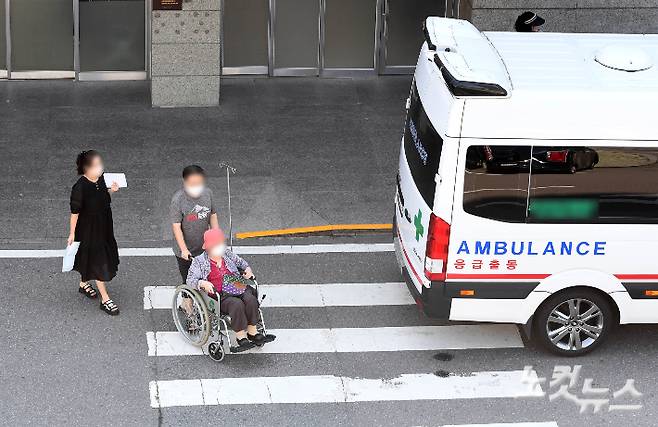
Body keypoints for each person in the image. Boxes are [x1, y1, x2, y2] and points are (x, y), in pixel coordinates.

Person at [186, 228, 275, 352]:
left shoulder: (226, 253)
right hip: (220, 294)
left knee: (250, 298)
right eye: (217, 245)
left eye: (221, 244)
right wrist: (202, 283)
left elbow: (242, 263)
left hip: (237, 285)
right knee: (236, 304)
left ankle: (252, 331)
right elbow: (190, 280)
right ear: (209, 247)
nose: (221, 247)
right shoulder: (199, 261)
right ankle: (240, 336)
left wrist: (248, 270)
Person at [68, 150, 121, 315]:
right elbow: (74, 213)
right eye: (96, 165)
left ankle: (83, 283)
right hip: (89, 229)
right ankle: (105, 299)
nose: (101, 168)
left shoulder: (101, 179)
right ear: (86, 168)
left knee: (89, 257)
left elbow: (103, 199)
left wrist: (111, 190)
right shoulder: (79, 187)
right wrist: (72, 234)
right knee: (99, 260)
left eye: (100, 164)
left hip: (104, 225)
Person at [170, 165, 219, 284]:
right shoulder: (178, 200)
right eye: (193, 184)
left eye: (199, 183)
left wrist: (216, 237)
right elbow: (176, 226)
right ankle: (187, 301)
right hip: (187, 250)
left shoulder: (208, 193)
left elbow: (212, 215)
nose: (197, 187)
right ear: (185, 182)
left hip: (204, 246)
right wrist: (183, 250)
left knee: (208, 277)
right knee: (189, 280)